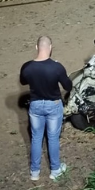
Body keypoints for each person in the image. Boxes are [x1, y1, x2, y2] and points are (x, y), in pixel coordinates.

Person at [20, 36, 73, 181]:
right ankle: (55, 170)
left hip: (35, 105)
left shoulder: (27, 67)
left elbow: (23, 81)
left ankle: (35, 172)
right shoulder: (56, 67)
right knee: (53, 138)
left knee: (36, 138)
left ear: (36, 47)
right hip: (53, 105)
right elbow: (68, 86)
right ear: (50, 48)